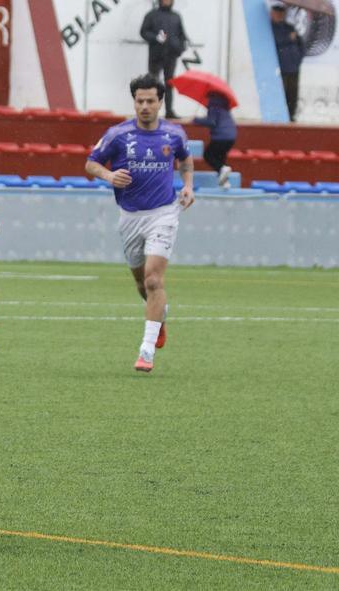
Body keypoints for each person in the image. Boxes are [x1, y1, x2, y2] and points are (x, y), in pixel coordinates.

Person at [84, 73, 194, 373]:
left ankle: (146, 350)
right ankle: (160, 316)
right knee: (140, 282)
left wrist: (188, 185)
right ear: (134, 102)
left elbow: (185, 160)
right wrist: (108, 175)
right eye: (139, 100)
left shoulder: (174, 134)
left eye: (150, 101)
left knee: (153, 280)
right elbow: (91, 162)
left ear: (160, 102)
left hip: (164, 212)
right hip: (130, 216)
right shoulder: (118, 134)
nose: (144, 105)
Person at [139, 0, 187, 119]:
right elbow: (143, 32)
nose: (167, 1)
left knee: (169, 83)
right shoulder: (151, 15)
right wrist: (155, 38)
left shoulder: (176, 16)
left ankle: (169, 111)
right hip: (156, 55)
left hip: (171, 56)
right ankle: (150, 111)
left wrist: (180, 48)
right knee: (153, 84)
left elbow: (182, 35)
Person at [193, 92, 236, 188]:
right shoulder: (224, 107)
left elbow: (211, 122)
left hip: (221, 136)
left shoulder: (213, 106)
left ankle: (222, 170)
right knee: (220, 157)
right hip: (231, 137)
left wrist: (197, 120)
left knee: (208, 155)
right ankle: (225, 182)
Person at [270, 2, 304, 122]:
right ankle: (280, 117)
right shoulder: (270, 28)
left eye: (282, 12)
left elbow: (300, 43)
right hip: (281, 67)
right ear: (272, 13)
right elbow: (276, 42)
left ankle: (291, 116)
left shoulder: (289, 27)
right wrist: (288, 39)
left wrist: (299, 58)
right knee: (282, 93)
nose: (280, 15)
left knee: (292, 94)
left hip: (293, 66)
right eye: (277, 12)